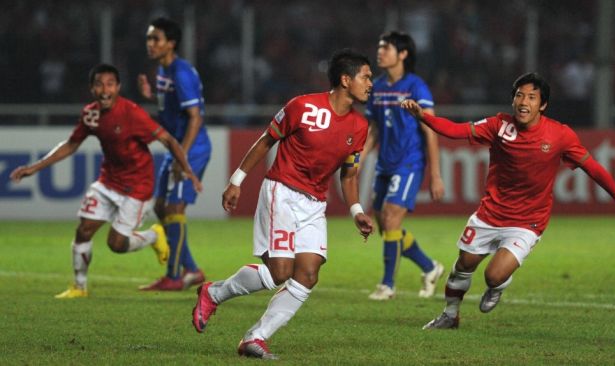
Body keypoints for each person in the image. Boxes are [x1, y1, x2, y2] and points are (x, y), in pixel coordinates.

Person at [400, 72, 615, 329]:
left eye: (531, 97)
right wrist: (423, 116)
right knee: (463, 265)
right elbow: (455, 130)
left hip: (527, 222)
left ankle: (498, 287)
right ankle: (450, 315)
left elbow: (592, 167)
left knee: (493, 275)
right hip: (489, 215)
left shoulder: (560, 135)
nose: (523, 102)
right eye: (519, 95)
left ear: (543, 105)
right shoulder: (499, 125)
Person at [191, 49, 374, 360]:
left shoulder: (359, 127)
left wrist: (356, 211)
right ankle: (214, 292)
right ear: (346, 80)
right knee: (280, 271)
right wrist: (236, 180)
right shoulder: (302, 106)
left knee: (308, 273)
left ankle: (256, 337)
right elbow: (266, 140)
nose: (371, 83)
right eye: (366, 77)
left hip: (315, 203)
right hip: (282, 191)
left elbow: (349, 174)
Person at [10, 64, 202, 298]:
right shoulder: (90, 114)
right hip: (108, 181)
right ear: (92, 88)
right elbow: (71, 144)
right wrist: (35, 167)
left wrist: (187, 170)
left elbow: (169, 141)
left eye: (110, 84)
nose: (104, 90)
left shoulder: (132, 113)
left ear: (118, 87)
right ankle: (79, 287)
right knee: (84, 230)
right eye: (99, 84)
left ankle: (154, 235)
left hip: (137, 187)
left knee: (117, 244)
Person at [363, 31, 446, 301]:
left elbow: (430, 130)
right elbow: (373, 128)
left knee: (390, 218)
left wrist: (435, 174)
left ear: (403, 54)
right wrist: (361, 157)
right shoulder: (376, 87)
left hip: (409, 163)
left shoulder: (416, 87)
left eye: (386, 47)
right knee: (387, 226)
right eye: (379, 47)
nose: (380, 52)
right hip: (384, 165)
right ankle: (430, 267)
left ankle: (387, 285)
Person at [137, 17, 212, 291]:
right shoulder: (163, 71)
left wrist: (184, 157)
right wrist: (151, 96)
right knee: (160, 207)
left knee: (174, 208)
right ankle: (191, 269)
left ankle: (174, 276)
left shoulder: (180, 73)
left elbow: (195, 118)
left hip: (191, 149)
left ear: (171, 43)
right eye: (149, 38)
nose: (150, 44)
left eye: (155, 38)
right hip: (176, 148)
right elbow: (172, 110)